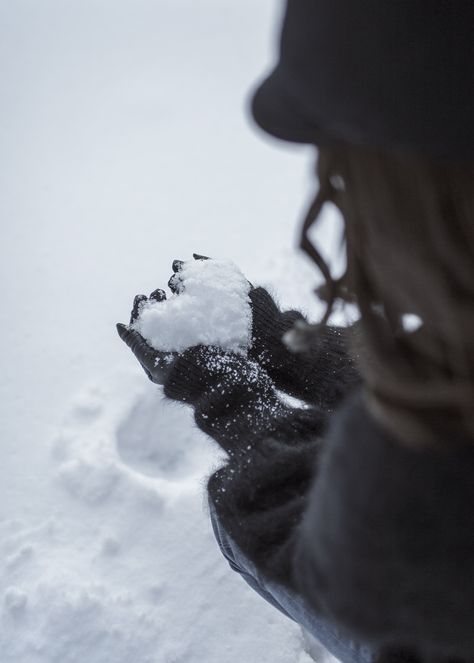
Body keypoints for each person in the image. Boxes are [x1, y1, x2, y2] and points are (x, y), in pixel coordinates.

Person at [117, 2, 474, 662]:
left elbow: (321, 555)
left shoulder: (425, 513)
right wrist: (289, 345)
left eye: (351, 185)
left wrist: (237, 405)